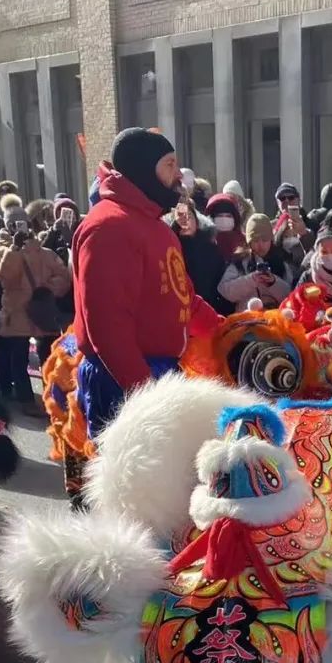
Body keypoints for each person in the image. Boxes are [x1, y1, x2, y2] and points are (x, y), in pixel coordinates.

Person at [71, 127, 219, 437]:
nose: (178, 174)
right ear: (143, 168)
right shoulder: (108, 226)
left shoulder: (156, 226)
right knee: (134, 481)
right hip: (124, 378)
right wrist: (145, 393)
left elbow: (183, 296)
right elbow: (107, 325)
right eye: (169, 164)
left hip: (159, 374)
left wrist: (228, 329)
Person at [0, 206, 72, 415]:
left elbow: (63, 277)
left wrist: (48, 288)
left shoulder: (45, 252)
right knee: (19, 359)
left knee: (48, 358)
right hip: (17, 313)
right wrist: (14, 249)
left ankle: (52, 397)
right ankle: (25, 399)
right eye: (13, 223)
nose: (19, 226)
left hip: (42, 312)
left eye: (22, 221)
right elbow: (5, 275)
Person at [218, 213, 292, 310]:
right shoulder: (239, 262)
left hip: (274, 318)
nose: (260, 245)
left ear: (271, 240)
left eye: (264, 239)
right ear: (249, 242)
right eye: (256, 240)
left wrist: (273, 282)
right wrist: (251, 280)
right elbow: (225, 290)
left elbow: (289, 295)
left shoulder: (280, 262)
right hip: (247, 319)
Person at [169, 195, 227, 314]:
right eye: (180, 217)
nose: (185, 221)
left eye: (189, 216)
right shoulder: (170, 249)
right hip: (180, 309)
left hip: (210, 307)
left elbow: (219, 281)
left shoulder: (211, 249)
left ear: (196, 221)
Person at [272, 182, 313, 251]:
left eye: (291, 197)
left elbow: (315, 249)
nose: (287, 201)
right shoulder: (272, 226)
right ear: (277, 202)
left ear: (299, 200)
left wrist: (304, 233)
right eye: (282, 198)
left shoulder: (311, 224)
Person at [42, 196, 82, 265]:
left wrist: (70, 237)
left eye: (70, 212)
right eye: (61, 212)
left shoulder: (81, 230)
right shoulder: (54, 232)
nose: (67, 216)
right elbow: (44, 251)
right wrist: (53, 230)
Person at [206, 193, 245, 262]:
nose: (224, 219)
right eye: (220, 216)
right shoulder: (206, 242)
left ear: (235, 219)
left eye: (228, 216)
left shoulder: (244, 241)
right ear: (212, 219)